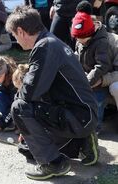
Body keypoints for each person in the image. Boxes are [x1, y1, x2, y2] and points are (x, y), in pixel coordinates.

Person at [6, 6, 99, 180]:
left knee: (19, 108)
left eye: (15, 36)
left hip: (78, 116)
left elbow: (29, 93)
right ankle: (82, 142)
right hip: (82, 113)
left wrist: (21, 122)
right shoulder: (51, 41)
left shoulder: (44, 47)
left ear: (21, 31)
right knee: (27, 149)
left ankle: (53, 164)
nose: (16, 41)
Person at [71, 1, 113, 133]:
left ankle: (96, 126)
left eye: (81, 38)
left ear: (91, 33)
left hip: (99, 81)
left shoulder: (101, 42)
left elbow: (102, 65)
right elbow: (77, 56)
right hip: (85, 79)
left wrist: (89, 80)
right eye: (77, 38)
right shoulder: (80, 40)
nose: (79, 41)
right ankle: (83, 121)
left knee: (97, 101)